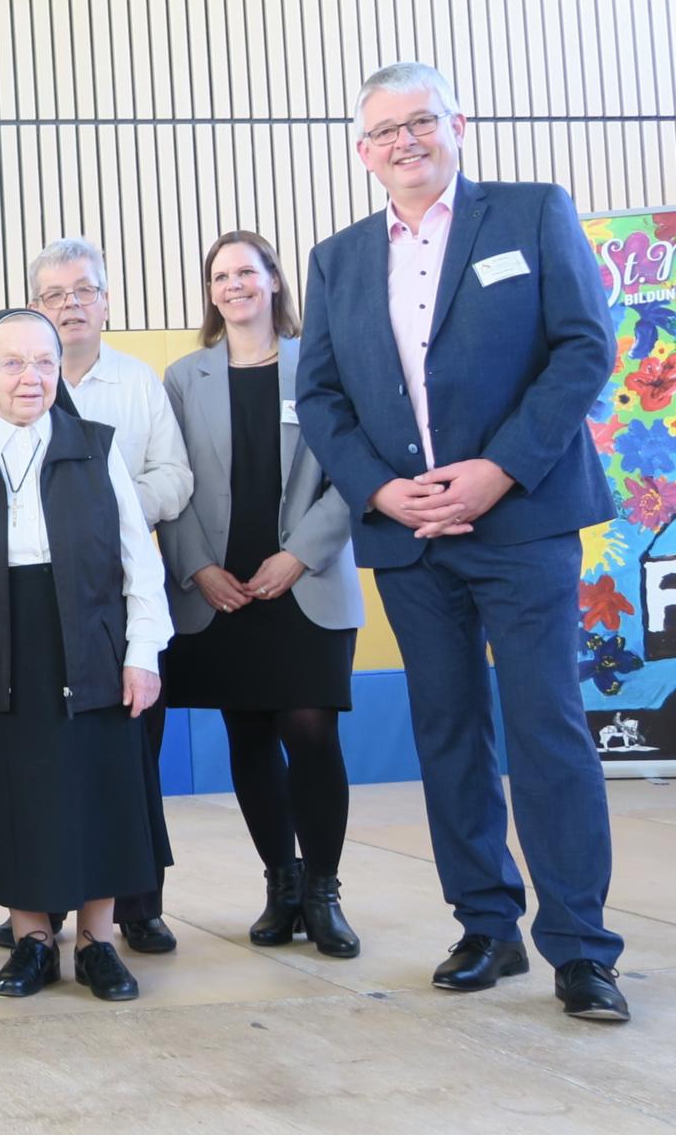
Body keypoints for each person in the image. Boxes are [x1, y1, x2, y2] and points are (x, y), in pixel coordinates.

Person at [297, 62, 629, 1021]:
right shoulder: (338, 259)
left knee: (546, 727)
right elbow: (320, 394)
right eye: (384, 131)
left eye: (420, 122)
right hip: (410, 535)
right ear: (362, 153)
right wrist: (381, 490)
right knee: (447, 731)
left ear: (458, 124)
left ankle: (580, 947)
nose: (404, 141)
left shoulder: (530, 212)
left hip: (521, 520)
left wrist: (500, 469)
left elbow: (584, 347)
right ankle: (487, 924)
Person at [0, 308, 173, 1002]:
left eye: (43, 362)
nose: (30, 376)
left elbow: (138, 559)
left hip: (91, 642)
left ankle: (97, 943)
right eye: (12, 362)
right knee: (15, 793)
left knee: (98, 790)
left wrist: (143, 651)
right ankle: (32, 939)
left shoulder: (95, 446)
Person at [0, 237, 191, 956]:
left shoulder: (121, 410)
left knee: (112, 782)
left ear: (105, 300)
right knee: (28, 783)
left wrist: (93, 511)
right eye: (55, 295)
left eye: (84, 291)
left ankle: (117, 925)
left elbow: (154, 522)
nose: (31, 376)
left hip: (102, 620)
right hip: (15, 635)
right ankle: (34, 927)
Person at [158, 231, 364, 957]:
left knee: (310, 732)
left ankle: (324, 892)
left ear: (275, 279)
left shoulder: (325, 366)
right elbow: (170, 482)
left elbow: (356, 470)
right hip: (222, 590)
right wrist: (197, 569)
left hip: (306, 580)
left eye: (247, 271)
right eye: (220, 276)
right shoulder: (184, 378)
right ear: (209, 292)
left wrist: (299, 555)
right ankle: (282, 885)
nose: (234, 285)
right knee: (247, 736)